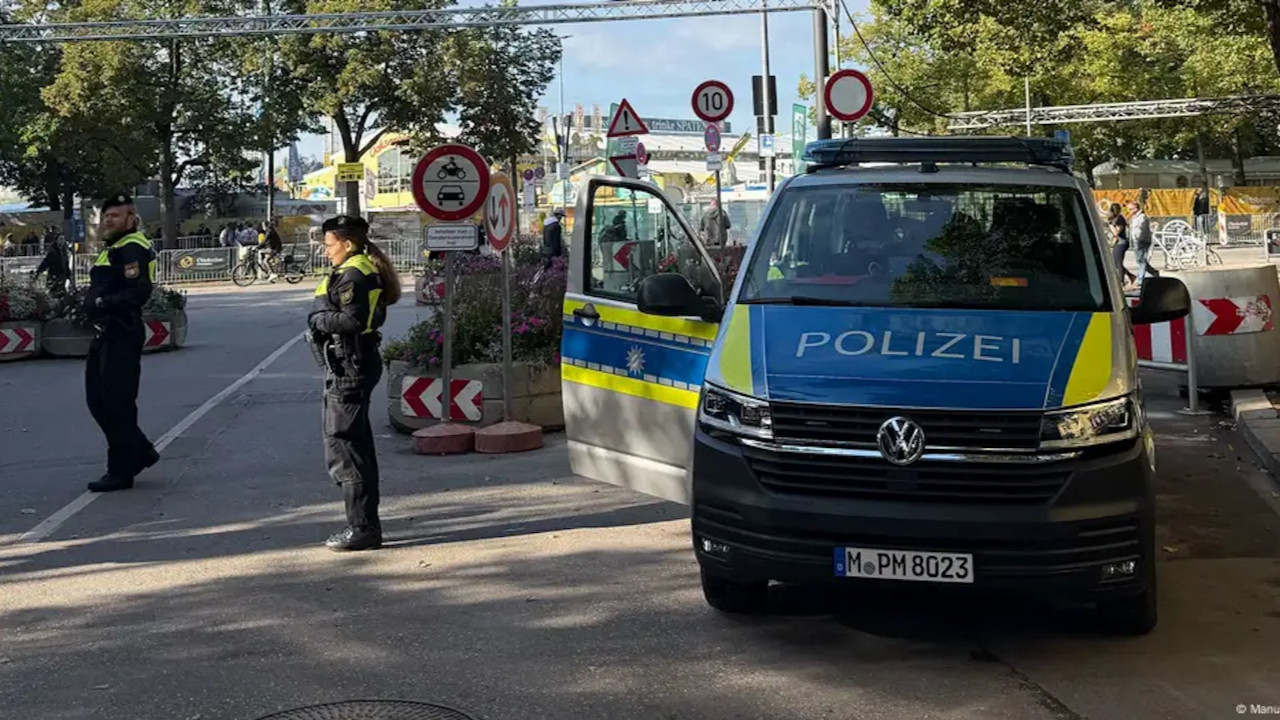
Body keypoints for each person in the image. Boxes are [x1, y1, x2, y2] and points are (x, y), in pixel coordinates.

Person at [306, 214, 401, 551]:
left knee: (345, 447)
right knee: (353, 444)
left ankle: (362, 528)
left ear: (346, 244)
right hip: (351, 363)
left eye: (329, 244)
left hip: (350, 364)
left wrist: (317, 318)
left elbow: (353, 320)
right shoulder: (355, 268)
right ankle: (364, 525)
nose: (325, 250)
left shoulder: (354, 273)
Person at [83, 195, 160, 493]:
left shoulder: (132, 247)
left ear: (131, 218)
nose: (108, 220)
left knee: (117, 402)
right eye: (106, 216)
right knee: (98, 399)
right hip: (106, 331)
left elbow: (137, 292)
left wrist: (102, 303)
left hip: (121, 330)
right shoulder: (115, 247)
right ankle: (139, 451)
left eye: (115, 215)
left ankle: (120, 470)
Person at [1128, 199, 1159, 285]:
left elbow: (1141, 230)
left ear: (1136, 208)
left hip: (1142, 241)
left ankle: (1140, 280)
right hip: (1137, 241)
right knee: (1140, 260)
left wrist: (1139, 240)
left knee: (1141, 261)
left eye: (1131, 209)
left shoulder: (1142, 217)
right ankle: (1154, 272)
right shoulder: (1134, 217)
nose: (1130, 211)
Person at [1107, 203, 1137, 288]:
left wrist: (1110, 225)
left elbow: (1116, 232)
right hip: (1117, 243)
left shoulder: (1120, 219)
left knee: (1118, 263)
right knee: (1115, 262)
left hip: (1121, 243)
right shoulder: (1114, 219)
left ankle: (1121, 282)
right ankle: (1131, 276)